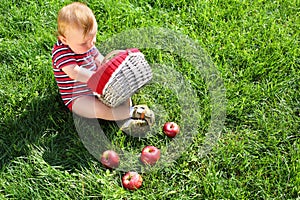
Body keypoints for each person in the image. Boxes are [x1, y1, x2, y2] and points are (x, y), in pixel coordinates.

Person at [52, 2, 154, 133]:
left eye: (93, 37)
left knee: (123, 89)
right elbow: (74, 72)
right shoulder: (61, 52)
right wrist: (97, 78)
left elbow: (99, 59)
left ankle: (127, 115)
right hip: (77, 96)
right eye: (84, 43)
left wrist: (110, 71)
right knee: (98, 109)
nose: (91, 44)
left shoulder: (85, 43)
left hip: (98, 87)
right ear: (64, 40)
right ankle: (129, 113)